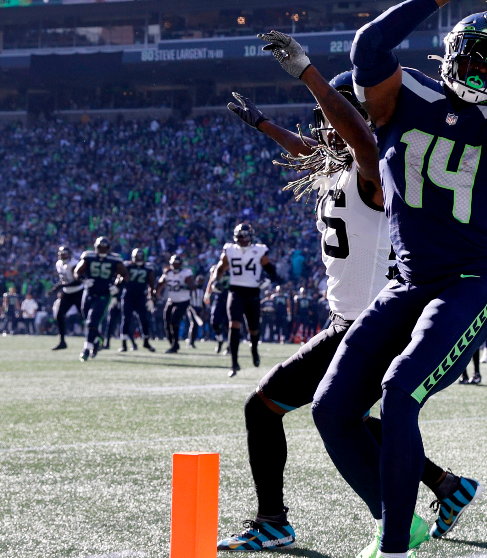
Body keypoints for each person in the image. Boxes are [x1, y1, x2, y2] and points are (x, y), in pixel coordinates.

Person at [304, 0, 487, 555]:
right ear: (449, 54)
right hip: (409, 282)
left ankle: (392, 546)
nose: (477, 69)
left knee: (399, 393)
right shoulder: (401, 98)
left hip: (469, 279)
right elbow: (367, 49)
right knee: (331, 409)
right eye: (470, 54)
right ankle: (403, 520)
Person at [217, 73, 470, 552]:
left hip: (373, 325)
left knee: (289, 410)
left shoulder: (376, 169)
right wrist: (264, 124)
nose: (325, 130)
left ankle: (366, 518)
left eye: (337, 119)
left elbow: (362, 147)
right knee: (346, 420)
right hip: (346, 322)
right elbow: (305, 152)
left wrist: (317, 85)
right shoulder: (333, 168)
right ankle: (447, 486)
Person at [206, 222, 281, 376]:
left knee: (253, 328)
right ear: (236, 237)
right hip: (235, 291)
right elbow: (220, 269)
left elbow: (272, 272)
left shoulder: (259, 250)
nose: (244, 239)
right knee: (234, 325)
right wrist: (215, 281)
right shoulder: (230, 250)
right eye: (241, 236)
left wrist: (267, 282)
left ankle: (254, 349)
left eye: (246, 236)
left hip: (253, 292)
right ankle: (234, 363)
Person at [73, 237, 128, 361]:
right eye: (100, 247)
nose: (102, 250)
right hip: (89, 292)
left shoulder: (115, 259)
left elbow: (125, 275)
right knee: (87, 319)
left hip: (104, 294)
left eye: (104, 248)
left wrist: (117, 286)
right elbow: (77, 272)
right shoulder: (89, 256)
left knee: (92, 321)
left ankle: (87, 348)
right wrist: (84, 280)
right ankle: (96, 340)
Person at [120, 248, 157, 352]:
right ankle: (124, 344)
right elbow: (119, 278)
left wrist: (151, 298)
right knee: (126, 319)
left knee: (144, 320)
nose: (139, 259)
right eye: (137, 257)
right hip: (128, 295)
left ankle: (146, 342)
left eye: (140, 257)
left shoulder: (148, 267)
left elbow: (151, 284)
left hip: (141, 296)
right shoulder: (127, 265)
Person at [158, 254, 196, 354]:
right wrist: (155, 293)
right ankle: (173, 344)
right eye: (173, 264)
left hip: (183, 300)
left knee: (174, 320)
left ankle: (175, 345)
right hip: (171, 300)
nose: (175, 266)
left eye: (177, 264)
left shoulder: (186, 273)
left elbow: (193, 286)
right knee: (166, 321)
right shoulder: (168, 273)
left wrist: (185, 286)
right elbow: (160, 284)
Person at [50, 246, 84, 350]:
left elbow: (78, 281)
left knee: (85, 316)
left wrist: (62, 286)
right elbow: (64, 280)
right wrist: (55, 289)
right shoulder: (59, 264)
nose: (63, 256)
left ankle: (97, 338)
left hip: (78, 292)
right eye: (61, 254)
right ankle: (62, 341)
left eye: (65, 254)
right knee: (60, 315)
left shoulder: (74, 264)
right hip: (68, 293)